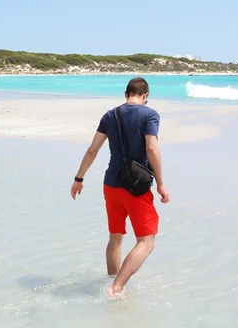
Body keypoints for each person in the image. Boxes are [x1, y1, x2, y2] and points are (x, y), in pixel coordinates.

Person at [70, 77, 170, 298]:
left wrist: (79, 178)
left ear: (126, 94)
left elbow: (92, 150)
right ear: (145, 96)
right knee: (146, 241)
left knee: (115, 237)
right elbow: (152, 149)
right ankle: (116, 287)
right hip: (136, 187)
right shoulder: (150, 114)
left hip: (111, 184)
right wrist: (161, 184)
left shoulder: (109, 115)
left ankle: (110, 281)